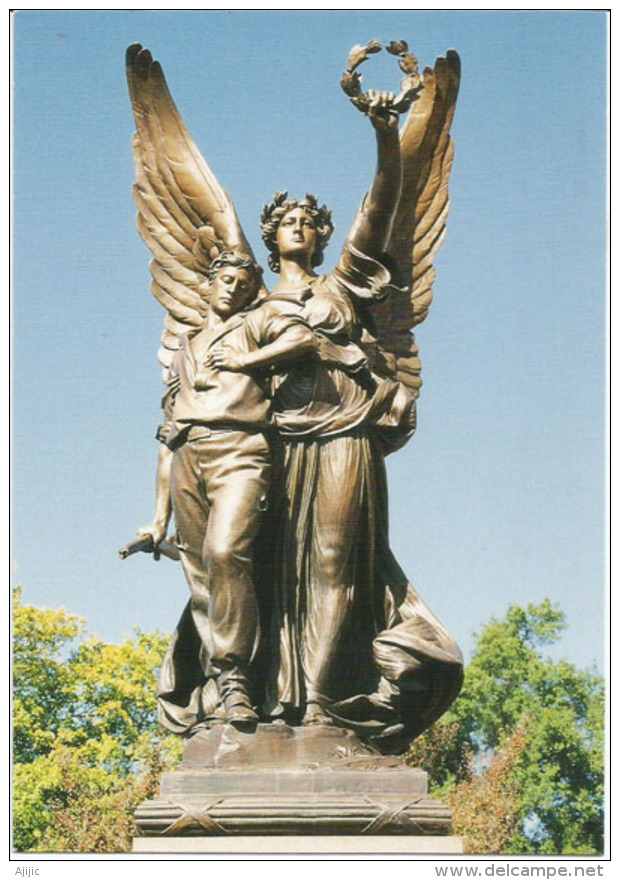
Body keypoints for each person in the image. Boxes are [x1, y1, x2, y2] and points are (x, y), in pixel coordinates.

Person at [241, 93, 463, 747]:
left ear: (323, 235)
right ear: (270, 233)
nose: (300, 226)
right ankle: (260, 701)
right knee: (269, 568)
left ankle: (320, 702)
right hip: (274, 444)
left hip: (346, 437)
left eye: (310, 220)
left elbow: (382, 207)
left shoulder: (343, 288)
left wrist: (386, 132)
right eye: (287, 219)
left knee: (336, 560)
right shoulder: (245, 303)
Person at [137, 250, 316, 732]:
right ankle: (223, 681)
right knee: (200, 573)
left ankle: (238, 680)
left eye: (242, 282)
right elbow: (168, 433)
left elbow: (303, 339)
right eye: (225, 280)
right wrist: (158, 520)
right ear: (208, 286)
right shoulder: (186, 347)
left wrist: (248, 359)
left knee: (225, 551)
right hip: (188, 455)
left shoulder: (255, 324)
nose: (232, 288)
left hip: (240, 450)